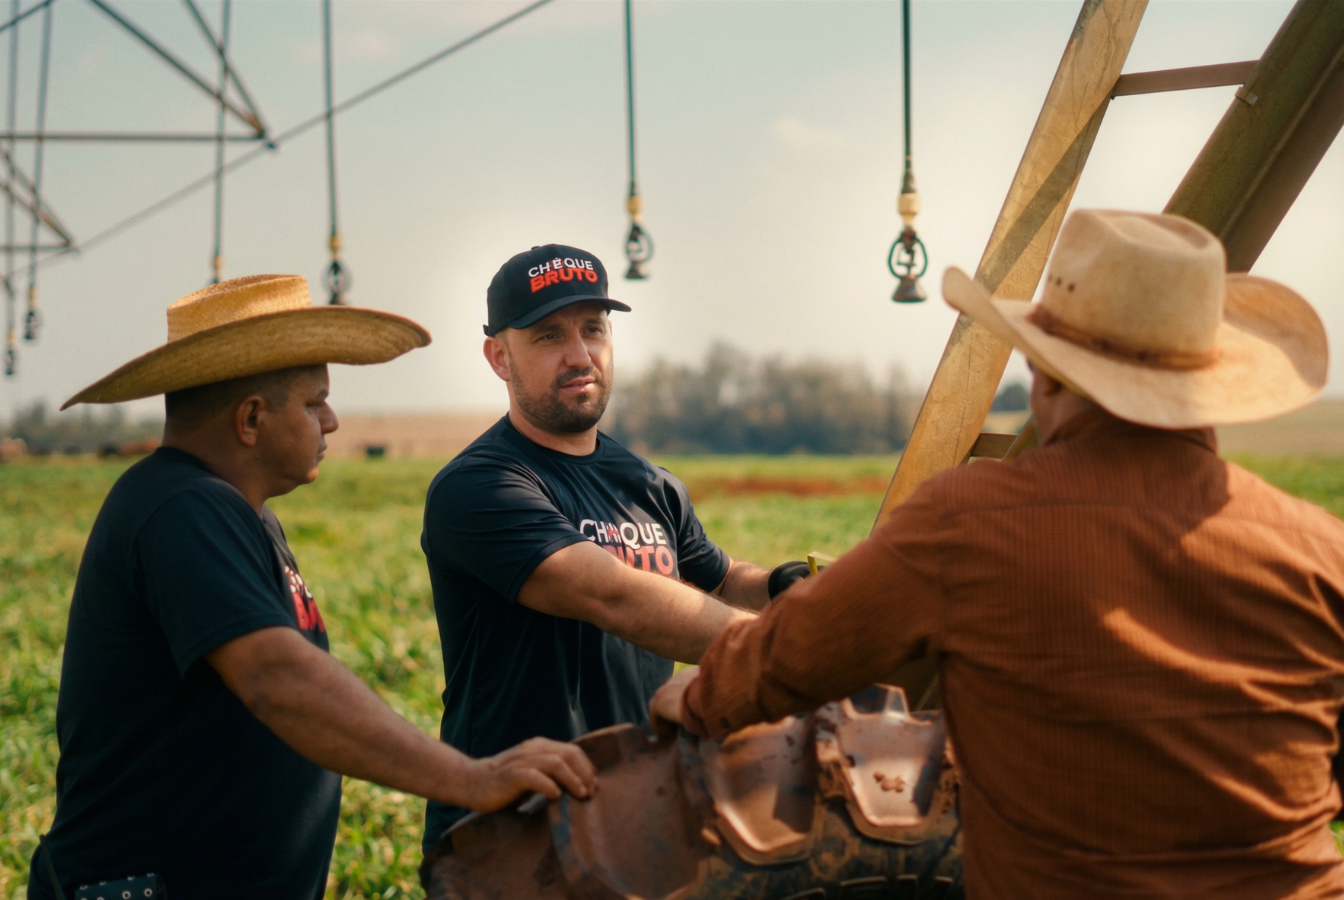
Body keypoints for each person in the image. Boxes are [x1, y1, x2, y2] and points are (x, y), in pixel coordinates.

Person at [651, 209, 1344, 899]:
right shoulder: (1322, 549)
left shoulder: (969, 523)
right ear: (1212, 385)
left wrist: (703, 693)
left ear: (1045, 377)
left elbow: (795, 652)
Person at [29, 275, 596, 900]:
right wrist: (470, 778)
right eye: (313, 402)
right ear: (251, 418)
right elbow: (279, 676)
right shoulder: (181, 507)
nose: (330, 420)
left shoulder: (234, 512)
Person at [420, 244, 809, 848]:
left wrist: (786, 585)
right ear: (499, 357)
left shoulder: (649, 483)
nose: (580, 355)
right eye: (548, 336)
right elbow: (613, 595)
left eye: (593, 330)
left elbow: (719, 576)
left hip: (637, 816)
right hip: (511, 832)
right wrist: (793, 649)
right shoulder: (481, 485)